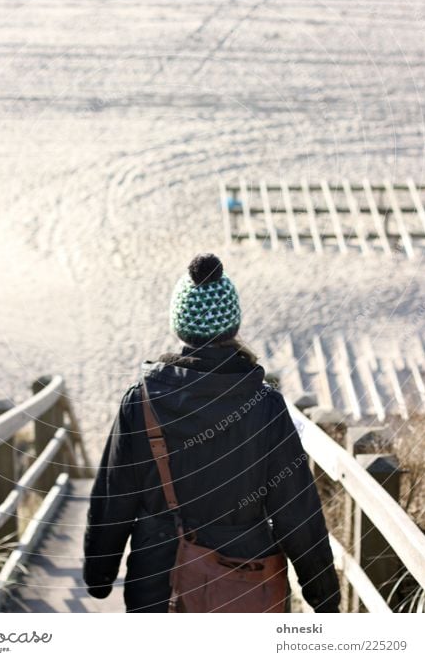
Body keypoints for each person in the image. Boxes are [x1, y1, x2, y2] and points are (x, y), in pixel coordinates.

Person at [83, 253, 340, 613]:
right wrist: (324, 597)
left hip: (158, 582)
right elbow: (295, 507)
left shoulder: (140, 402)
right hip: (245, 580)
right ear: (232, 325)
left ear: (180, 325)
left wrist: (99, 575)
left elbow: (114, 497)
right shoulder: (265, 405)